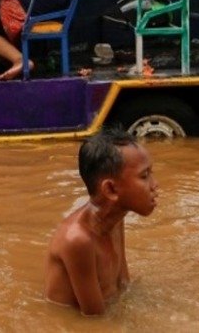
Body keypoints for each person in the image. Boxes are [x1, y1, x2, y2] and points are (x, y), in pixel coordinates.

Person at [44, 128, 159, 316]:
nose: (155, 185)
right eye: (144, 176)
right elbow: (95, 319)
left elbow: (124, 285)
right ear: (111, 190)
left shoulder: (116, 219)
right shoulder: (78, 240)